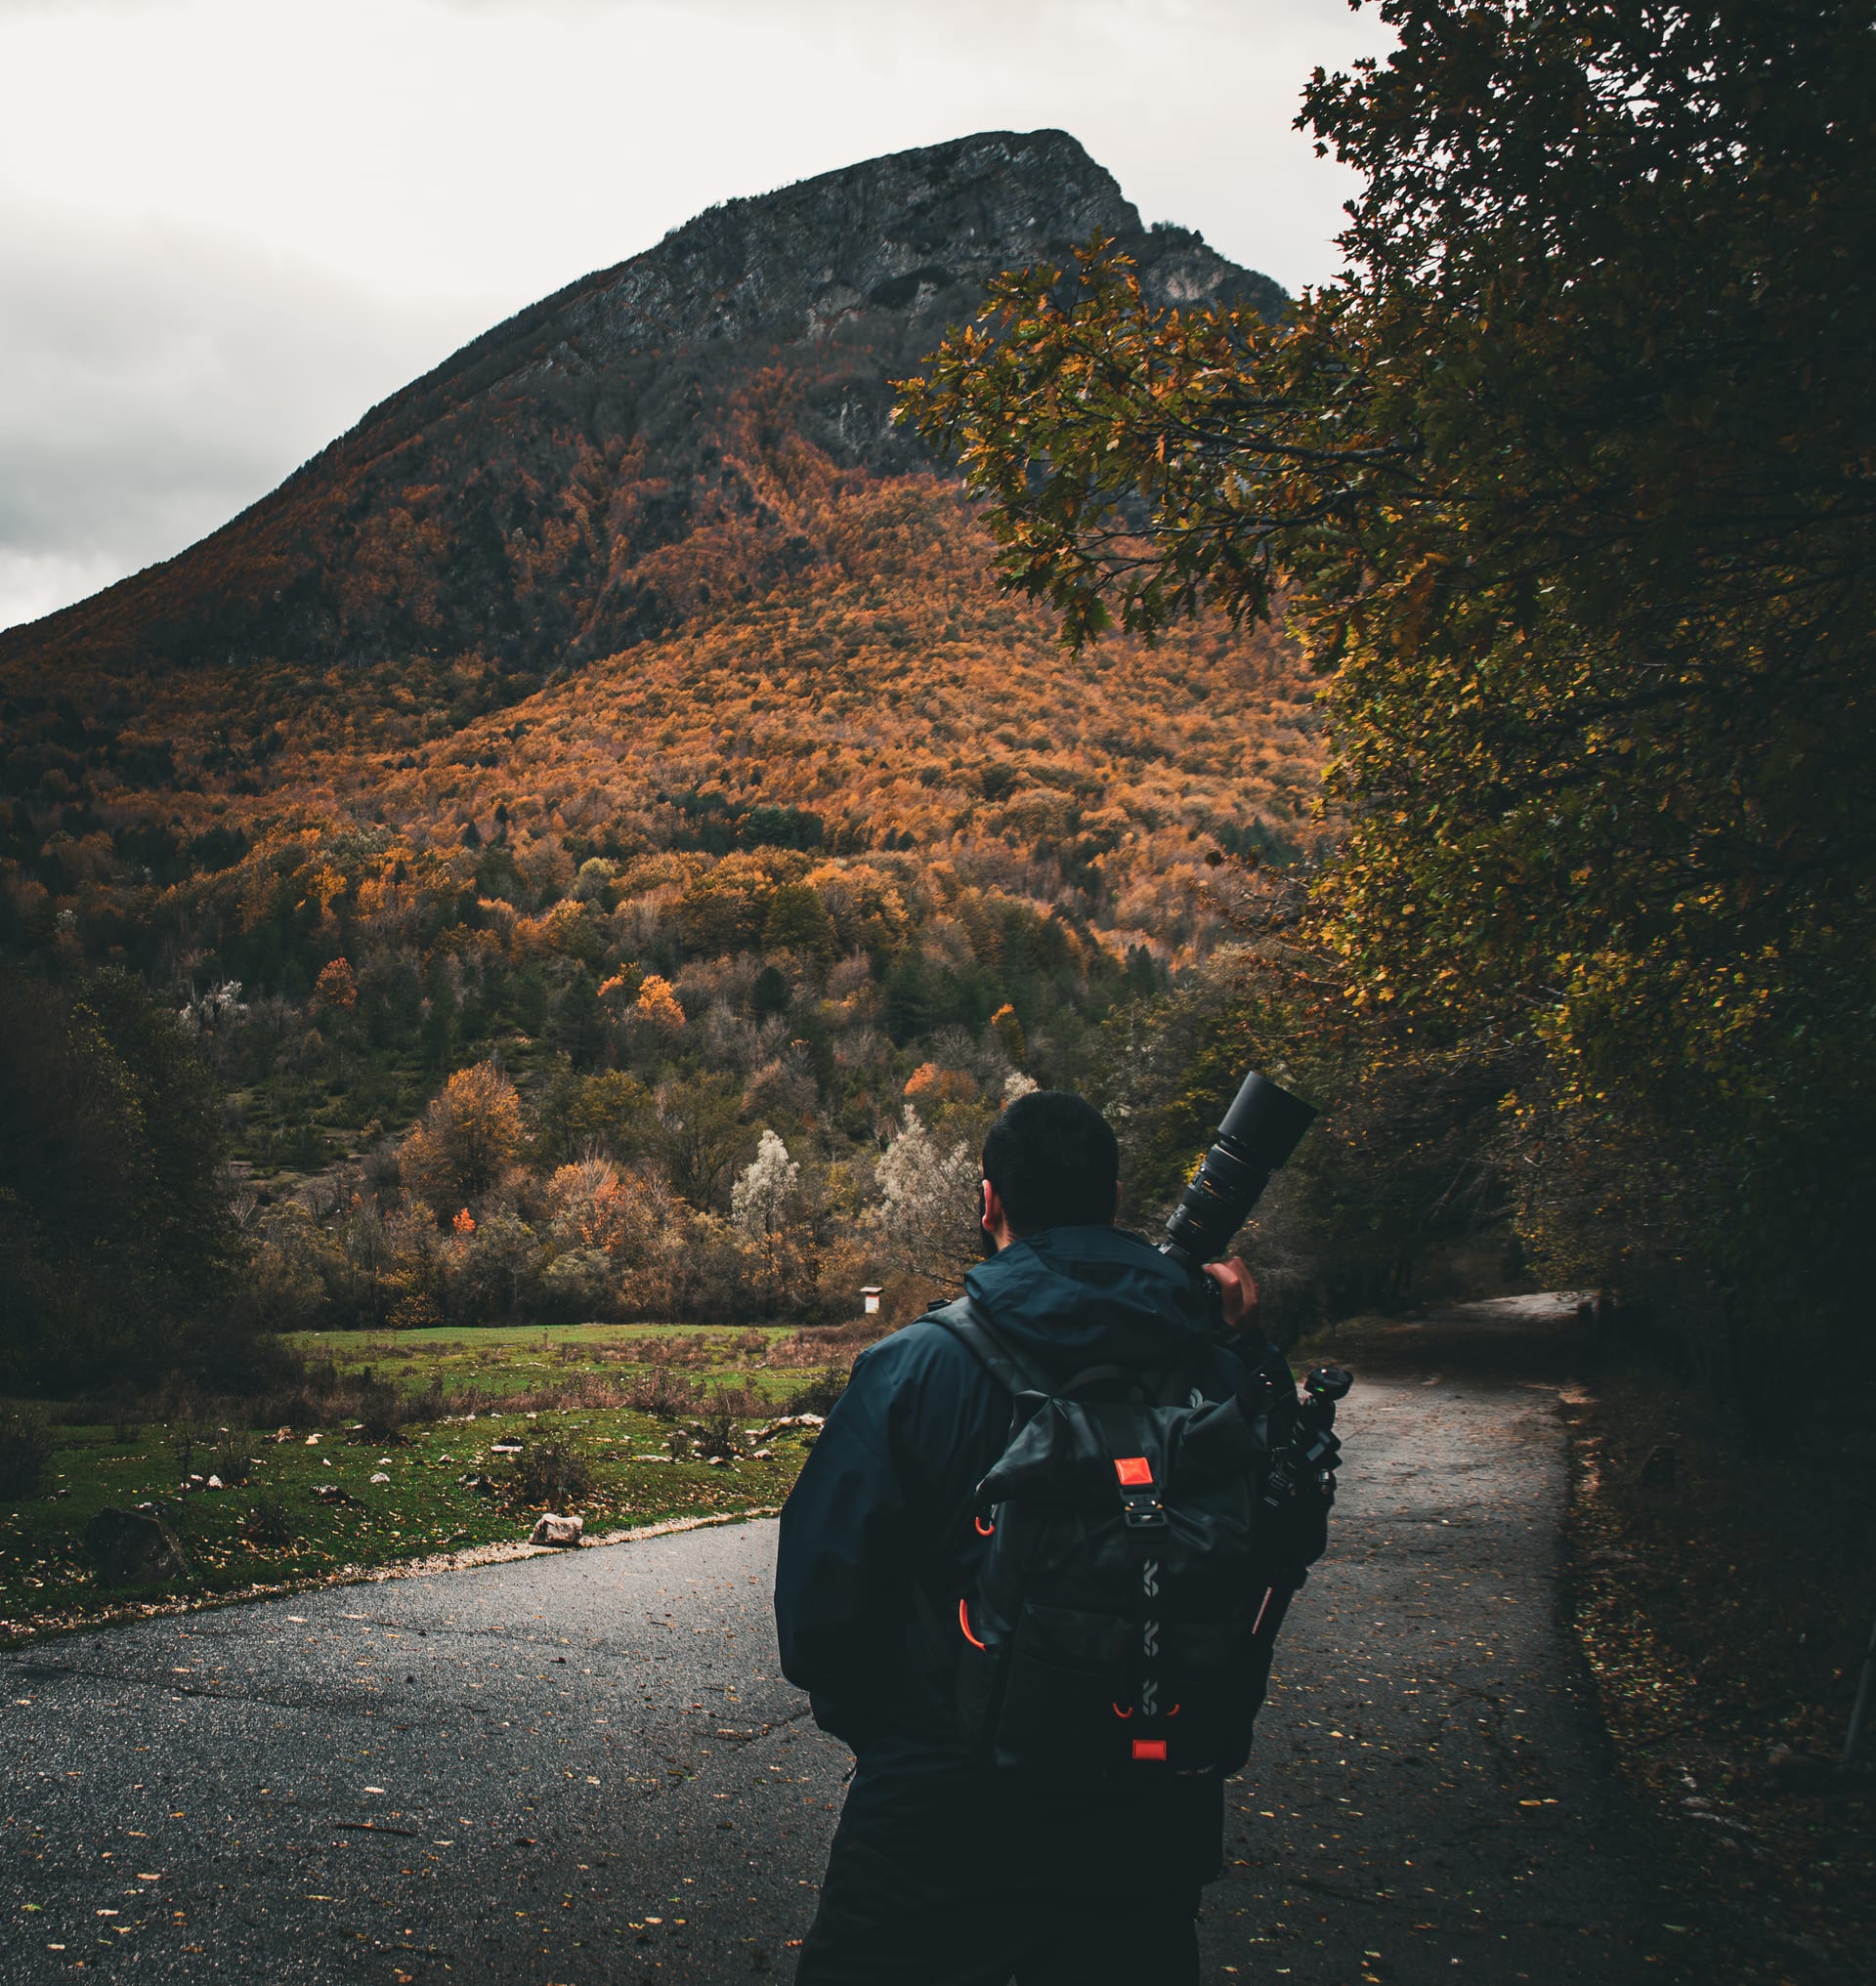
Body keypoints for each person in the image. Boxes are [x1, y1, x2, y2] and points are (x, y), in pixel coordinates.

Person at [774, 1087, 1308, 1985]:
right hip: (1145, 1816)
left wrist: (912, 1736)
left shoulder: (914, 1366)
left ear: (988, 1202)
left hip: (935, 1818)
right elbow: (1275, 1546)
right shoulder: (1213, 1367)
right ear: (1111, 1199)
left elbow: (819, 1609)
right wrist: (1251, 1356)